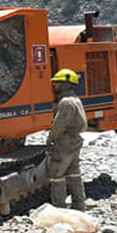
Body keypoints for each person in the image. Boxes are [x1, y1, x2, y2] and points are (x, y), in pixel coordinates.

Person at [47, 68, 87, 210]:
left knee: (56, 174)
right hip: (74, 141)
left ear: (66, 84)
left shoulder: (65, 103)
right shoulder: (75, 100)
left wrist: (50, 139)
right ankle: (79, 204)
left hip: (65, 142)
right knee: (73, 172)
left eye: (57, 83)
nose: (54, 85)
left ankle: (59, 207)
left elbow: (59, 125)